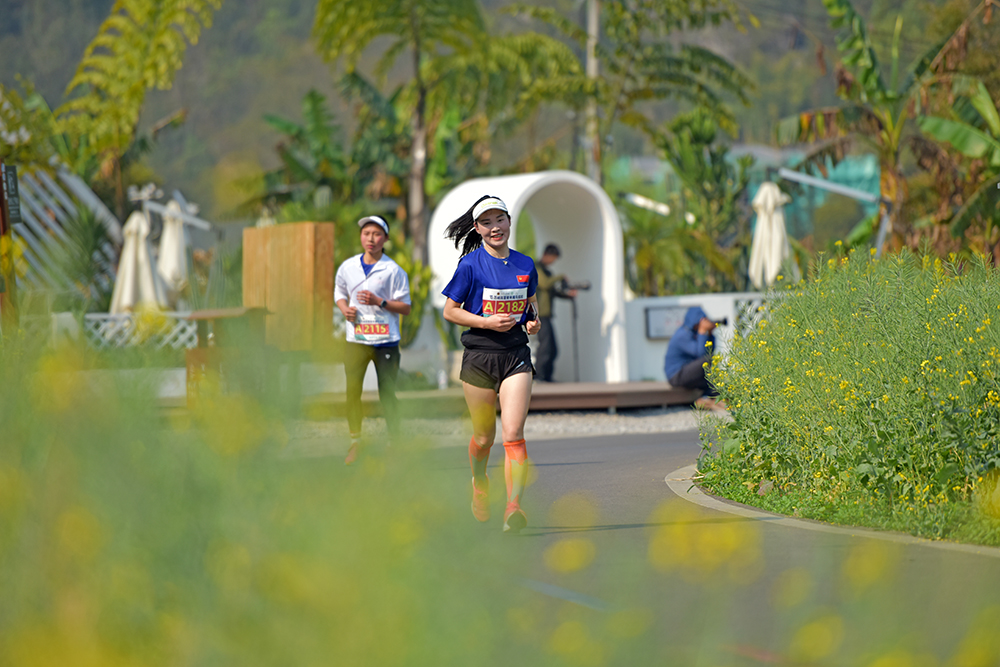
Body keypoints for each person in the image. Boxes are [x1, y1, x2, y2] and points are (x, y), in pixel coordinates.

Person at [442, 195, 541, 533]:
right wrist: (486, 323)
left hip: (516, 355)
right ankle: (479, 480)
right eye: (486, 222)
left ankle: (513, 507)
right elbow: (450, 311)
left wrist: (532, 321)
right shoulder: (470, 265)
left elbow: (530, 304)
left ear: (510, 222)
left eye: (500, 219)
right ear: (477, 228)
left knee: (513, 434)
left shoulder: (526, 264)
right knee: (484, 438)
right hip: (480, 355)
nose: (495, 227)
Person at [334, 215, 411, 465]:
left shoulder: (393, 270)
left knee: (387, 393)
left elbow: (406, 307)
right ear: (361, 237)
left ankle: (395, 442)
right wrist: (344, 308)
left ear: (385, 238)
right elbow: (339, 292)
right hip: (356, 339)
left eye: (377, 234)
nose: (371, 238)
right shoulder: (348, 267)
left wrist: (380, 302)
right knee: (352, 392)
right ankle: (355, 443)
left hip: (385, 340)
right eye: (366, 233)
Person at [533, 243, 577, 382]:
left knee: (553, 349)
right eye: (553, 258)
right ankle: (539, 376)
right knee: (544, 347)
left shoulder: (548, 272)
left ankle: (547, 376)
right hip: (538, 315)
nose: (553, 262)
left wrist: (568, 295)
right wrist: (561, 277)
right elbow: (545, 284)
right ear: (547, 255)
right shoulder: (536, 268)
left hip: (547, 315)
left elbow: (552, 291)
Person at [663, 306, 719, 404]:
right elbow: (702, 355)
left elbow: (710, 351)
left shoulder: (693, 334)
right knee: (707, 361)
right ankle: (707, 399)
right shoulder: (682, 335)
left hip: (687, 372)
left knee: (714, 381)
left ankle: (712, 398)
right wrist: (702, 331)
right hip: (676, 375)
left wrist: (710, 334)